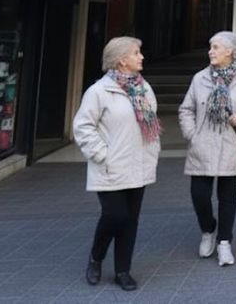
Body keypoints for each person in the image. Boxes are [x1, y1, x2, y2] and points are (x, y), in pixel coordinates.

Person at [73, 37, 161, 291]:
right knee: (115, 214)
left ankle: (123, 270)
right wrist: (102, 154)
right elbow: (83, 127)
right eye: (136, 53)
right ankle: (96, 257)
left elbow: (151, 125)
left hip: (139, 165)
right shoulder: (99, 91)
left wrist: (152, 154)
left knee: (131, 219)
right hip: (110, 166)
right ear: (121, 60)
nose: (141, 56)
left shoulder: (144, 89)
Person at [178, 31, 236, 266]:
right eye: (210, 47)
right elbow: (186, 109)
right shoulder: (200, 78)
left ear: (230, 51)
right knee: (199, 195)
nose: (210, 51)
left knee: (228, 197)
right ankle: (208, 229)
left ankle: (224, 242)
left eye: (215, 47)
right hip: (203, 145)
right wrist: (191, 134)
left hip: (231, 145)